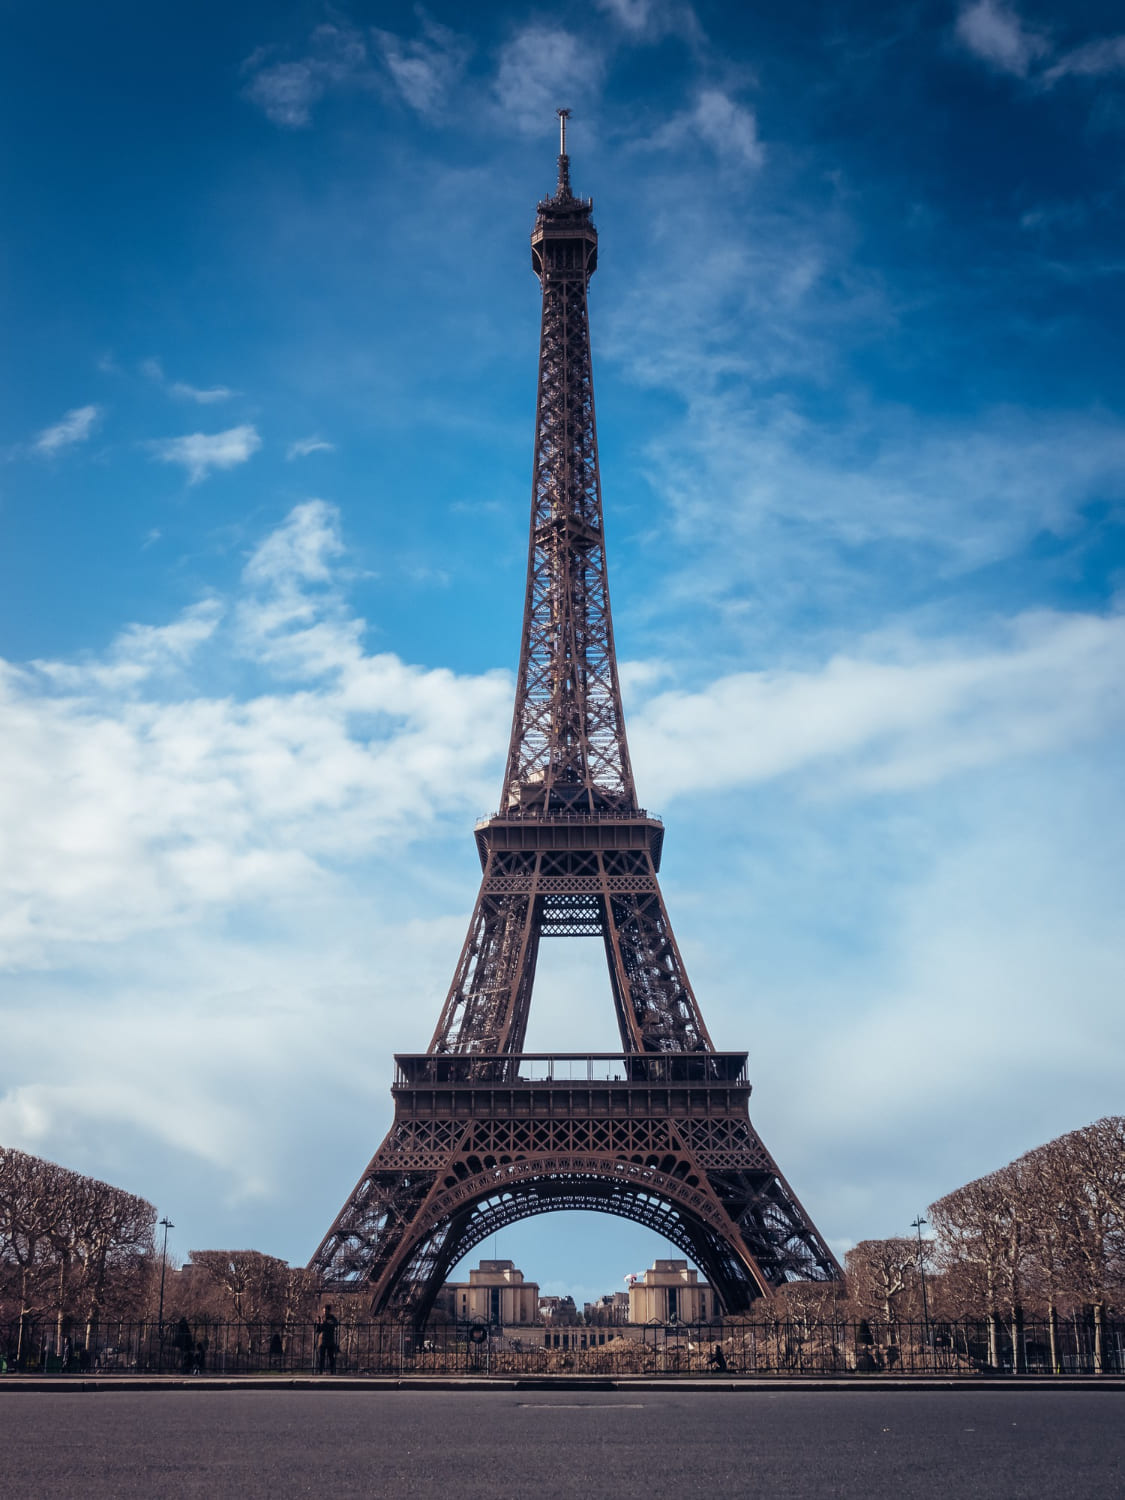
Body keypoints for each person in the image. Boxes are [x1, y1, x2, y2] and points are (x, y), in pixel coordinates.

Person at [315, 1305, 339, 1374]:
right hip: (322, 1339)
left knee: (331, 1356)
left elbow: (334, 1325)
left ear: (329, 1311)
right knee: (321, 1357)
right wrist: (318, 1323)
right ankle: (320, 1371)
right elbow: (318, 1330)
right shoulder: (321, 1318)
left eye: (326, 1311)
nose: (325, 1312)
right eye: (324, 1311)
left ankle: (332, 1371)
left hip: (329, 1340)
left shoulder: (332, 1318)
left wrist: (325, 1324)